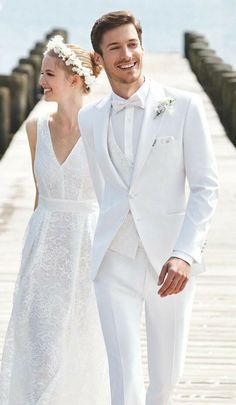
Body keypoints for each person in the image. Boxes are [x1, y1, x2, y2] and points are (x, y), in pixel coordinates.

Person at [78, 10, 219, 405]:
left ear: (142, 46)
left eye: (132, 44)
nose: (127, 55)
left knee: (164, 380)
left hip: (170, 265)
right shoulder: (89, 119)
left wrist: (185, 255)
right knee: (122, 379)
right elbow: (105, 190)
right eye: (115, 48)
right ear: (99, 59)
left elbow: (207, 188)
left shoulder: (184, 106)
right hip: (114, 261)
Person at [0, 35, 110, 405]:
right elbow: (37, 195)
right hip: (44, 244)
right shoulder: (35, 130)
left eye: (49, 74)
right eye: (42, 73)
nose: (41, 82)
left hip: (88, 245)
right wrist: (30, 253)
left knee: (83, 341)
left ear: (75, 80)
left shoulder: (103, 129)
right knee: (40, 343)